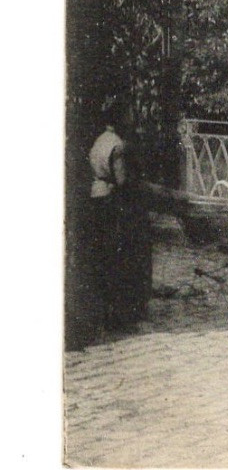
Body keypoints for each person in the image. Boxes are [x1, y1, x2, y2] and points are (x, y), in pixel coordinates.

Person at [87, 106, 150, 333]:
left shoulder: (100, 140)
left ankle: (105, 311)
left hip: (96, 196)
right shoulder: (118, 145)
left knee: (103, 255)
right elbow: (122, 181)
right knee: (119, 257)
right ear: (120, 119)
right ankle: (120, 315)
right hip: (112, 202)